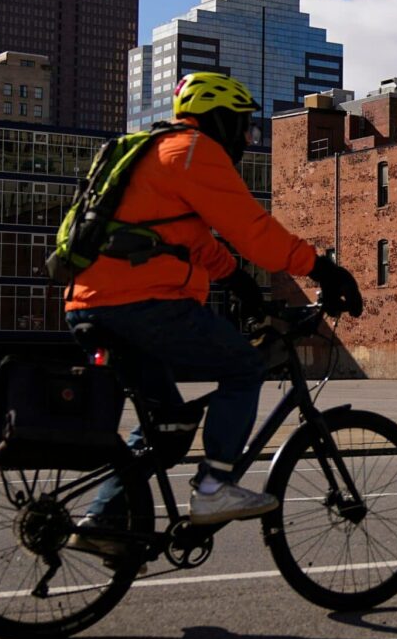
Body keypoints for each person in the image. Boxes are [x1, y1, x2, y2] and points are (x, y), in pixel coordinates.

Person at [64, 71, 361, 553]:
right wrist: (324, 271)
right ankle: (212, 489)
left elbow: (193, 240)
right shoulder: (195, 151)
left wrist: (237, 282)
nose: (246, 137)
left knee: (168, 428)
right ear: (217, 117)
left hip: (94, 304)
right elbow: (254, 231)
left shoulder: (161, 154)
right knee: (243, 367)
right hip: (141, 303)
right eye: (242, 125)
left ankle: (102, 520)